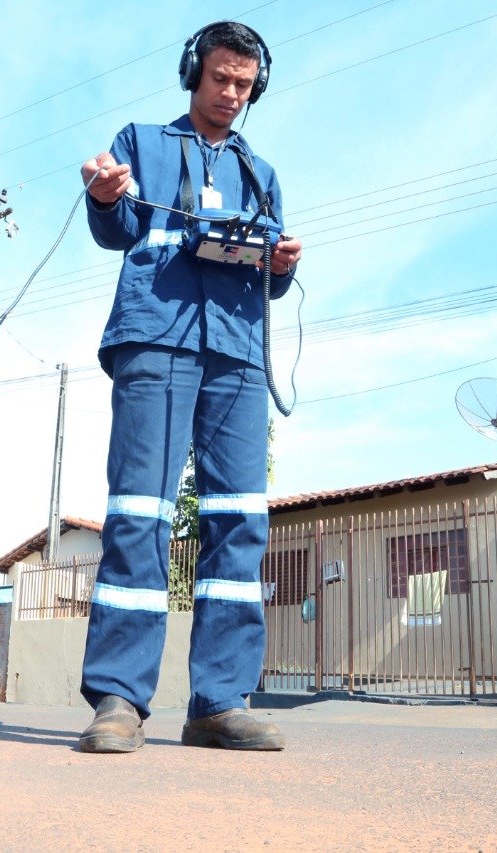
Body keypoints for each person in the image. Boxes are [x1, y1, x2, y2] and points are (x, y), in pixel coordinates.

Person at [76, 20, 304, 753]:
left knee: (239, 519)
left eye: (244, 84)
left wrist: (281, 265)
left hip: (238, 353)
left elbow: (270, 277)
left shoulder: (262, 173)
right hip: (156, 339)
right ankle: (119, 700)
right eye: (221, 79)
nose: (232, 94)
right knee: (140, 512)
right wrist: (106, 196)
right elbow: (116, 230)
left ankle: (219, 702)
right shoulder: (142, 142)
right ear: (193, 74)